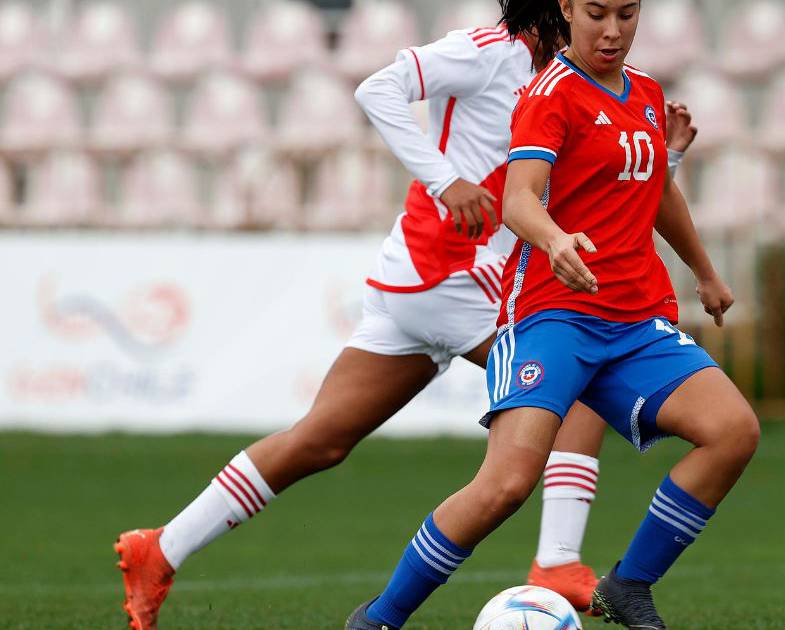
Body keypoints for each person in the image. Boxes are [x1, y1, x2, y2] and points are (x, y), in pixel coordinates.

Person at [113, 13, 701, 629]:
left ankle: (161, 549)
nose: (603, 19)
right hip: (452, 271)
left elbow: (604, 193)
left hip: (419, 279)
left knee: (320, 439)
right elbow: (377, 88)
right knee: (580, 371)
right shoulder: (488, 51)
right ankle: (555, 562)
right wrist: (447, 182)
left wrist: (667, 162)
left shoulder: (577, 77)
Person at [344, 1, 759, 628]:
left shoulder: (645, 91)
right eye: (596, 13)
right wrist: (553, 239)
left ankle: (628, 585)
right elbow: (517, 200)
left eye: (627, 13)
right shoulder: (550, 94)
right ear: (565, 8)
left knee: (734, 432)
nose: (613, 30)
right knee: (506, 485)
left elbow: (657, 195)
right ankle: (378, 619)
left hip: (635, 322)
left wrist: (704, 271)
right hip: (553, 317)